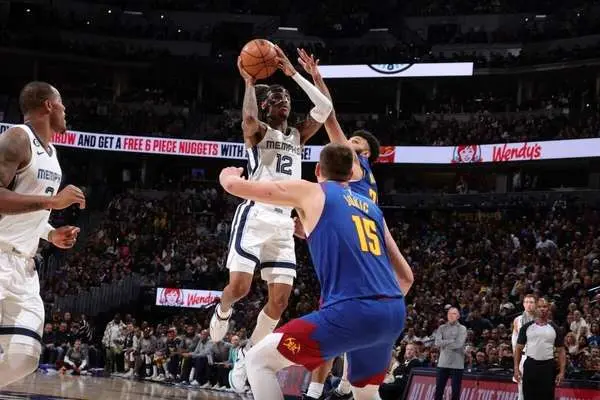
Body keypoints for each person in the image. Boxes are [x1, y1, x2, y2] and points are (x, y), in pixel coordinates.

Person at [218, 143, 414, 400]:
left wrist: (228, 175)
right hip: (392, 313)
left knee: (258, 360)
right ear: (351, 174)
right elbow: (406, 278)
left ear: (318, 169)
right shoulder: (371, 207)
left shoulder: (311, 191)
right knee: (366, 392)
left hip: (352, 312)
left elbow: (235, 188)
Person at [209, 46, 333, 392]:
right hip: (255, 214)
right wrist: (249, 83)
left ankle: (247, 356)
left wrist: (295, 75)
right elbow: (248, 121)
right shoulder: (259, 132)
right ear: (265, 105)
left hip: (283, 222)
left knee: (280, 299)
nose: (284, 102)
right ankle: (222, 309)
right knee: (240, 288)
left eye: (287, 99)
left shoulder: (297, 135)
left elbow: (325, 108)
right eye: (277, 98)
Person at [295, 48, 404, 400]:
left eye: (355, 142)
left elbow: (329, 117)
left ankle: (317, 391)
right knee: (385, 297)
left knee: (332, 319)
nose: (346, 143)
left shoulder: (354, 165)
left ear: (365, 154)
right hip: (369, 251)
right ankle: (352, 375)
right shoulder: (367, 186)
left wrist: (316, 78)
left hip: (353, 255)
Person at [0, 81, 86, 388]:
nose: (65, 109)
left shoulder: (52, 154)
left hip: (23, 266)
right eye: (61, 102)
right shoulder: (16, 138)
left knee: (25, 357)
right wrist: (52, 202)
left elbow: (31, 211)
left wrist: (50, 234)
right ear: (48, 105)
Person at [514, 298, 567, 400]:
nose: (542, 309)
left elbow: (561, 351)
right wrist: (516, 369)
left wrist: (562, 372)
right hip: (530, 366)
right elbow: (518, 349)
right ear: (535, 308)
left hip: (548, 367)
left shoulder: (555, 328)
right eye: (539, 307)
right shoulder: (526, 327)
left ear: (548, 309)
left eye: (544, 306)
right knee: (529, 397)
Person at [433, 307, 467, 400]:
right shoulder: (441, 328)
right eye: (449, 314)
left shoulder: (462, 329)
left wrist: (444, 343)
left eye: (454, 314)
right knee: (438, 391)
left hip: (457, 365)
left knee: (455, 392)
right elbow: (437, 342)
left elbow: (459, 344)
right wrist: (451, 340)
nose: (451, 316)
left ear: (458, 316)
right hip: (442, 364)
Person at [511, 294, 537, 400]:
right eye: (526, 302)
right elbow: (514, 343)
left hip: (538, 357)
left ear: (535, 304)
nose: (528, 304)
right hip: (523, 356)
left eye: (531, 302)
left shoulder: (541, 319)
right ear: (523, 304)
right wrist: (516, 365)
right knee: (521, 390)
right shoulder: (517, 320)